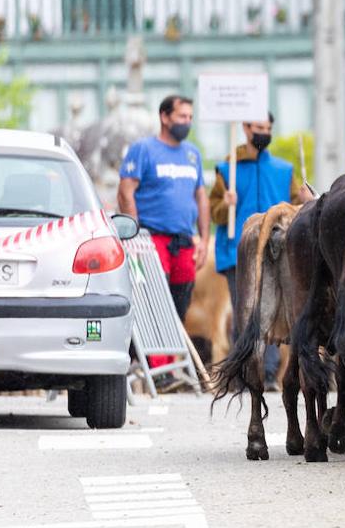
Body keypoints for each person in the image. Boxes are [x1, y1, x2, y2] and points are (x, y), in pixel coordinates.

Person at [208, 113, 310, 389]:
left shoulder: (283, 170)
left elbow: (294, 210)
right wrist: (225, 204)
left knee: (273, 310)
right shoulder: (226, 168)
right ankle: (243, 372)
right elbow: (214, 213)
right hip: (237, 253)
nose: (264, 132)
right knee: (245, 312)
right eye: (258, 128)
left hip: (277, 252)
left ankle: (267, 374)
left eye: (268, 128)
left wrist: (304, 201)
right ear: (245, 128)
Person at [118, 95, 210, 323]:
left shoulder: (192, 154)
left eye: (190, 117)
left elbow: (201, 196)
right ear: (165, 117)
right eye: (181, 116)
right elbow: (125, 191)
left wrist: (205, 241)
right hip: (151, 239)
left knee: (180, 304)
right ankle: (153, 359)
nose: (187, 122)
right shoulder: (143, 149)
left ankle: (171, 356)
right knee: (153, 302)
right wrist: (134, 236)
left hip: (184, 241)